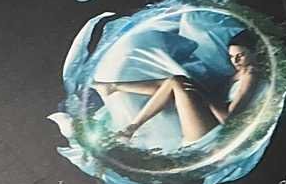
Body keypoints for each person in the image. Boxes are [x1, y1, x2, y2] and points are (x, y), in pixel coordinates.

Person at [95, 30, 264, 146]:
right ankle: (115, 90)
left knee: (178, 81)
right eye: (232, 57)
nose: (235, 61)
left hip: (214, 136)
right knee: (175, 83)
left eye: (240, 55)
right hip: (208, 125)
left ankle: (126, 116)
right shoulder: (241, 73)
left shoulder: (251, 73)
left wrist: (203, 95)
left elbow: (228, 119)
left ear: (255, 52)